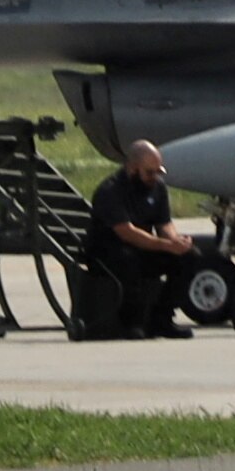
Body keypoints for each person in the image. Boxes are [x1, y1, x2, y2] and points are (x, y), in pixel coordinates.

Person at [84, 140, 207, 338]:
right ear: (132, 168)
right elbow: (126, 232)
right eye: (149, 172)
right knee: (127, 259)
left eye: (158, 171)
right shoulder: (110, 191)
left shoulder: (157, 187)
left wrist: (175, 242)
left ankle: (161, 318)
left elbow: (163, 224)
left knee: (189, 257)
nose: (154, 177)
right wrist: (165, 245)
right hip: (108, 251)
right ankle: (133, 322)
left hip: (143, 247)